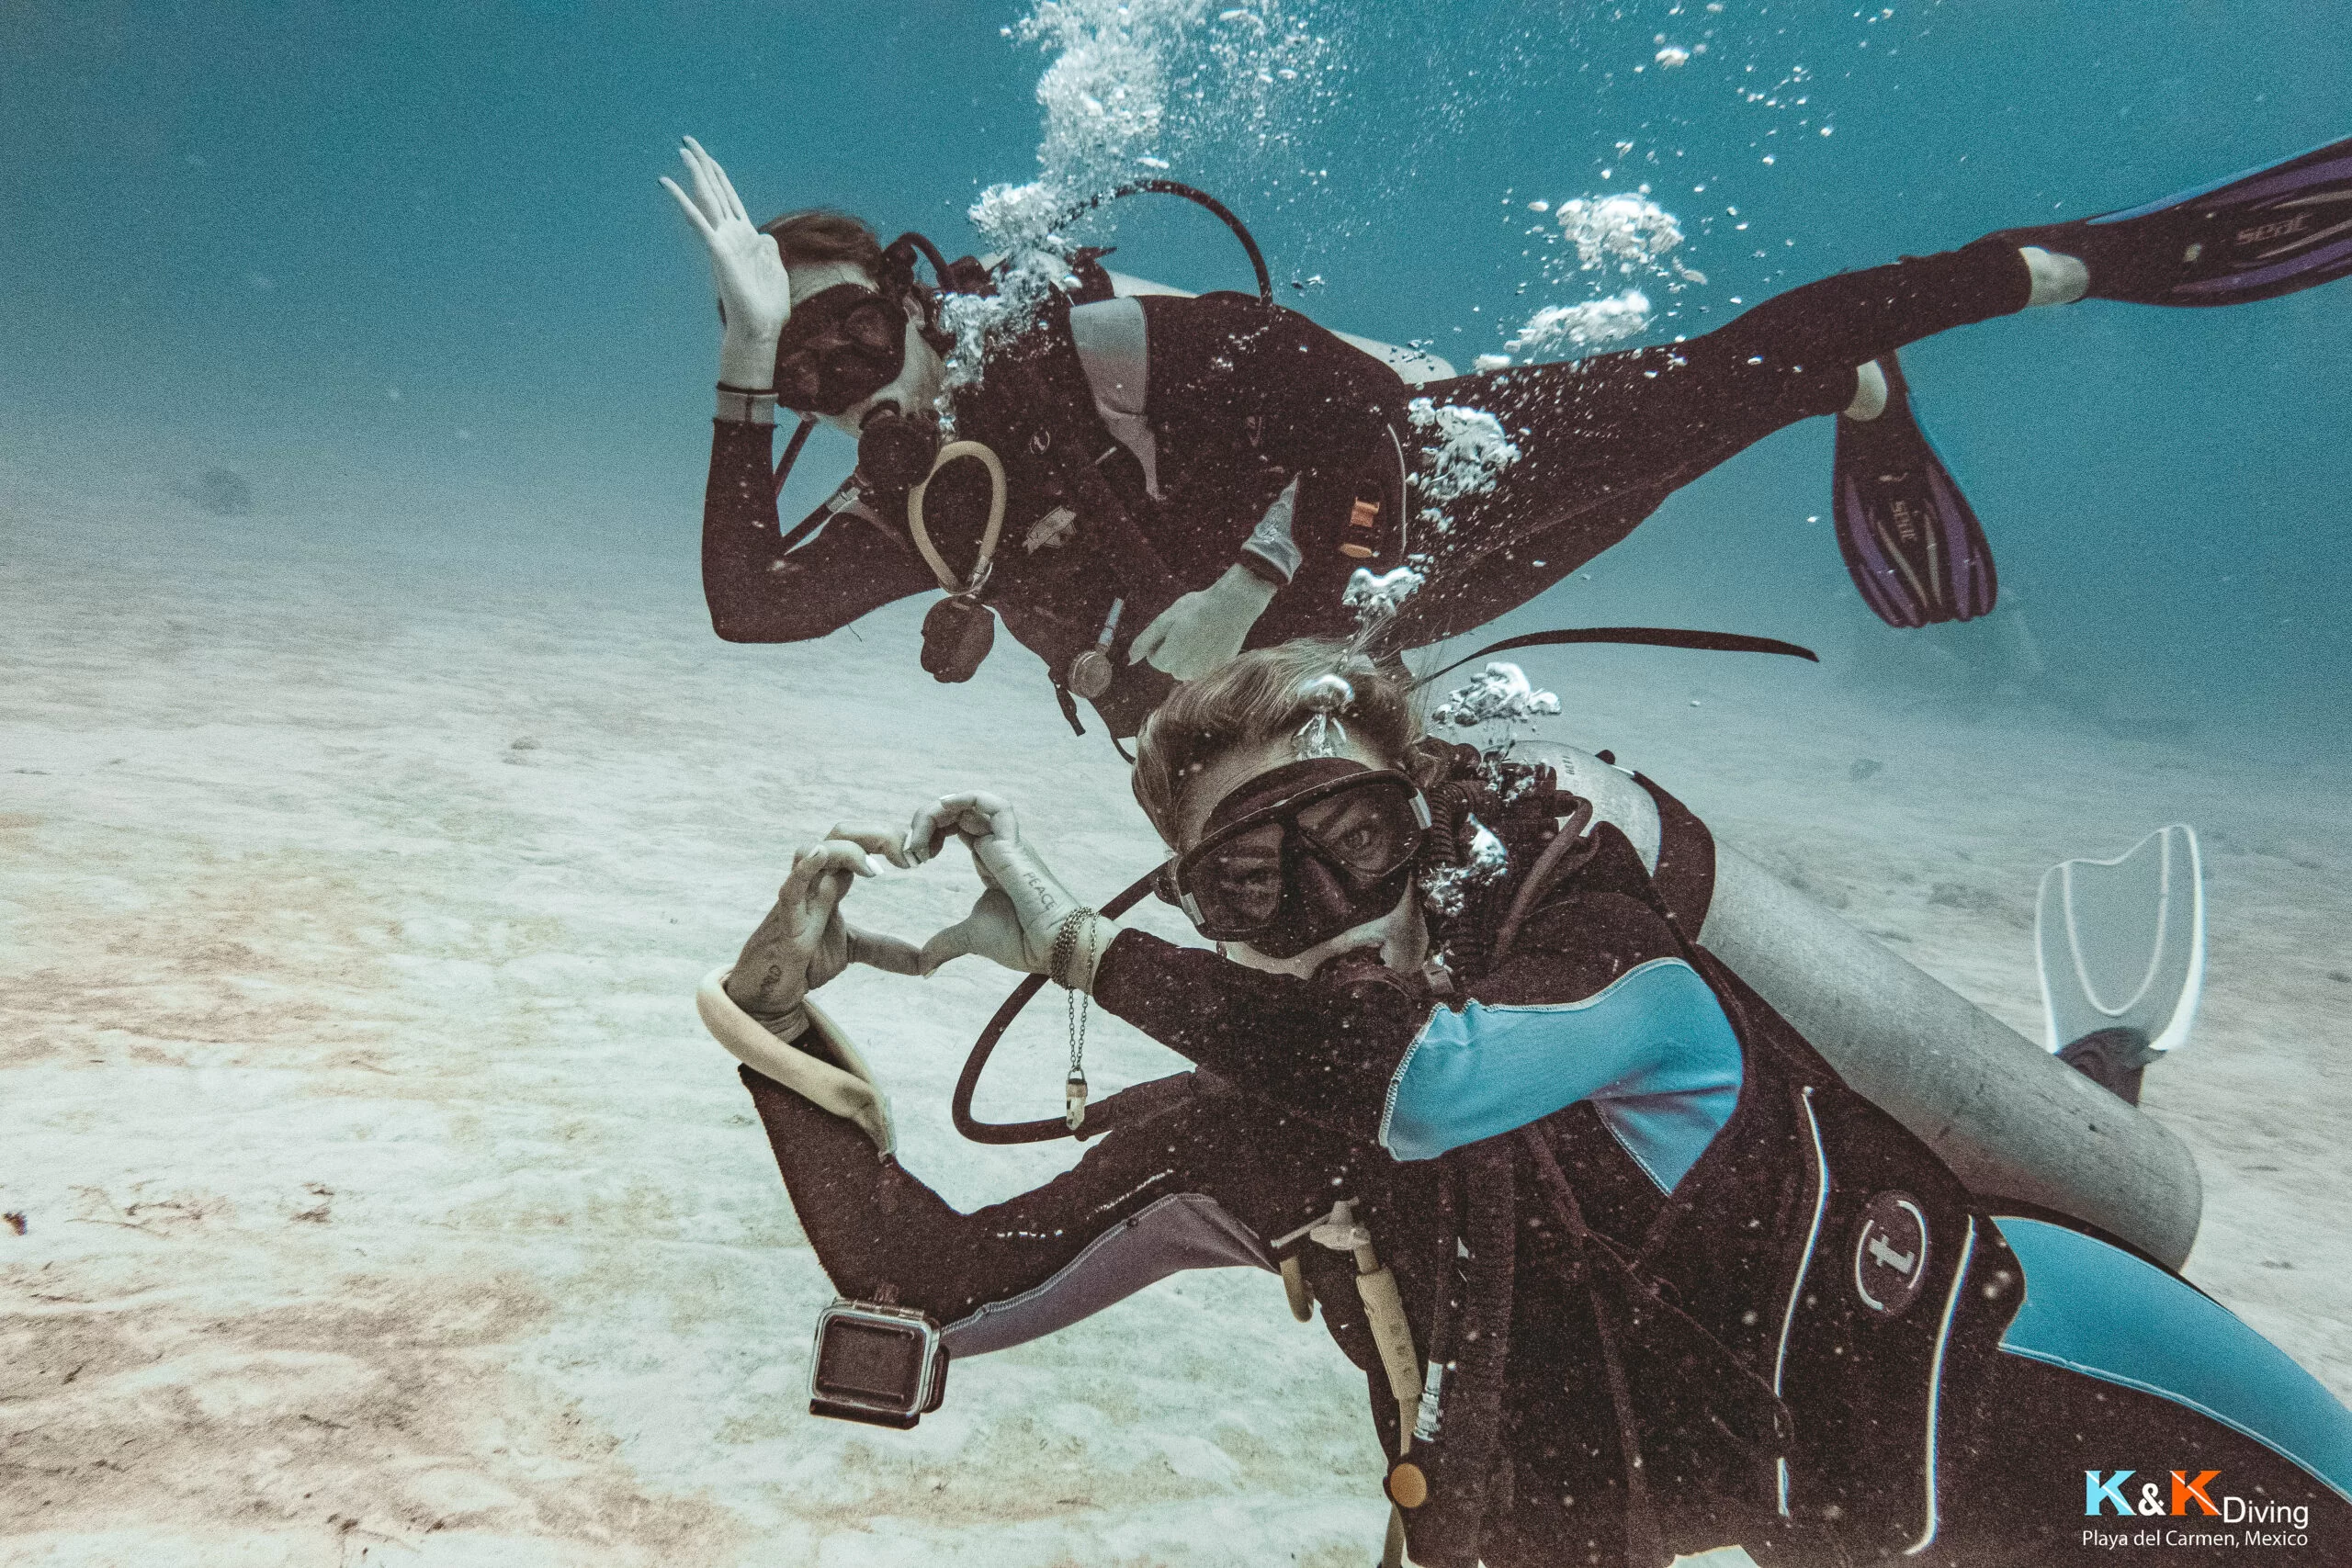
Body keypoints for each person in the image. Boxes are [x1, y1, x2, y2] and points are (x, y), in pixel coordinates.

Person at [697, 640, 2352, 1567]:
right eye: (1258, 884)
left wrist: (1074, 945)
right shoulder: (1265, 1133)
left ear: (1425, 831)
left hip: (2042, 1379)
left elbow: (1430, 1088)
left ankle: (2098, 1089)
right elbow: (927, 1290)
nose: (1329, 912)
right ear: (1205, 918)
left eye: (1351, 842)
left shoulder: (1600, 955)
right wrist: (771, 1018)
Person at [665, 135, 2352, 734]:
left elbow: (1348, 407)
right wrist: (741, 377)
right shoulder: (927, 516)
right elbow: (749, 605)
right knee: (1715, 432)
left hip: (1448, 461)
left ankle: (2082, 265)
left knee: (1729, 373)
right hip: (1405, 619)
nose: (847, 390)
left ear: (915, 297)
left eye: (843, 338)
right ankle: (1840, 399)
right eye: (799, 379)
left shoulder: (1085, 345)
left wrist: (1250, 589)